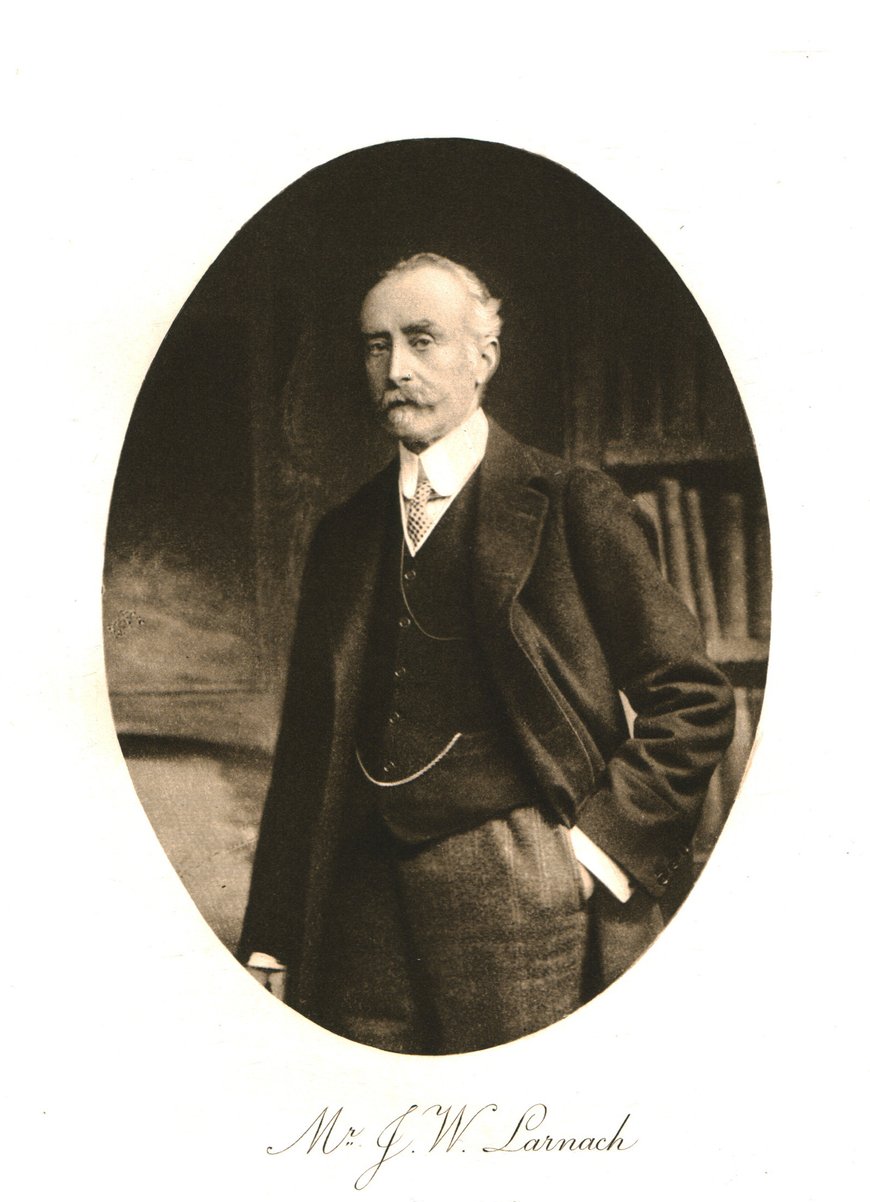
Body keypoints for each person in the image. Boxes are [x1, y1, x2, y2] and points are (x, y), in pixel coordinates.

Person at [238, 252, 735, 1054]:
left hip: (520, 887)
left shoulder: (571, 503)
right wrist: (273, 930)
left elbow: (694, 697)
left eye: (422, 339)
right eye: (376, 346)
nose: (395, 369)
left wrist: (593, 852)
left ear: (484, 356)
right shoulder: (344, 533)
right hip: (358, 896)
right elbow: (306, 747)